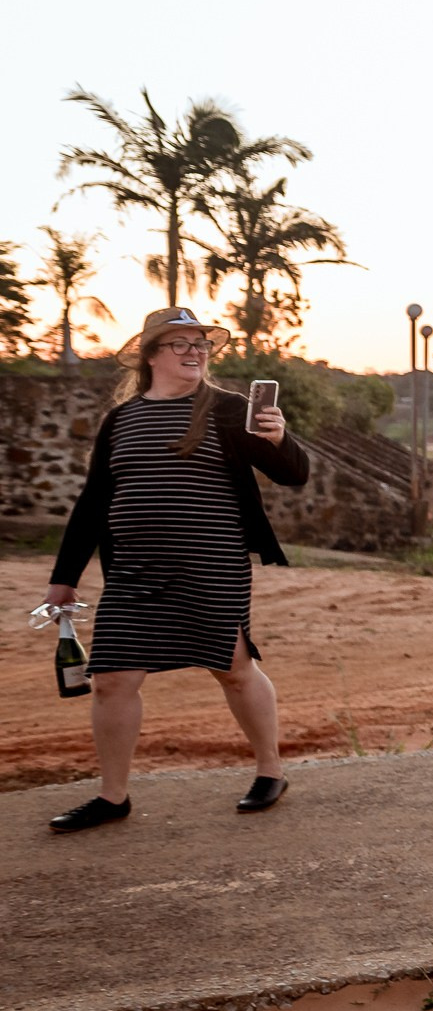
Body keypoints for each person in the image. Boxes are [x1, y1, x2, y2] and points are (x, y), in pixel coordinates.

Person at [43, 306, 310, 833]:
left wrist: (281, 439)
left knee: (232, 669)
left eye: (201, 344)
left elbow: (293, 475)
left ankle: (270, 771)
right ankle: (112, 797)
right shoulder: (120, 419)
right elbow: (95, 500)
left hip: (211, 563)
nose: (194, 352)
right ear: (150, 355)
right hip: (135, 572)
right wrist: (64, 576)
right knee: (112, 680)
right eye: (180, 343)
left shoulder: (229, 409)